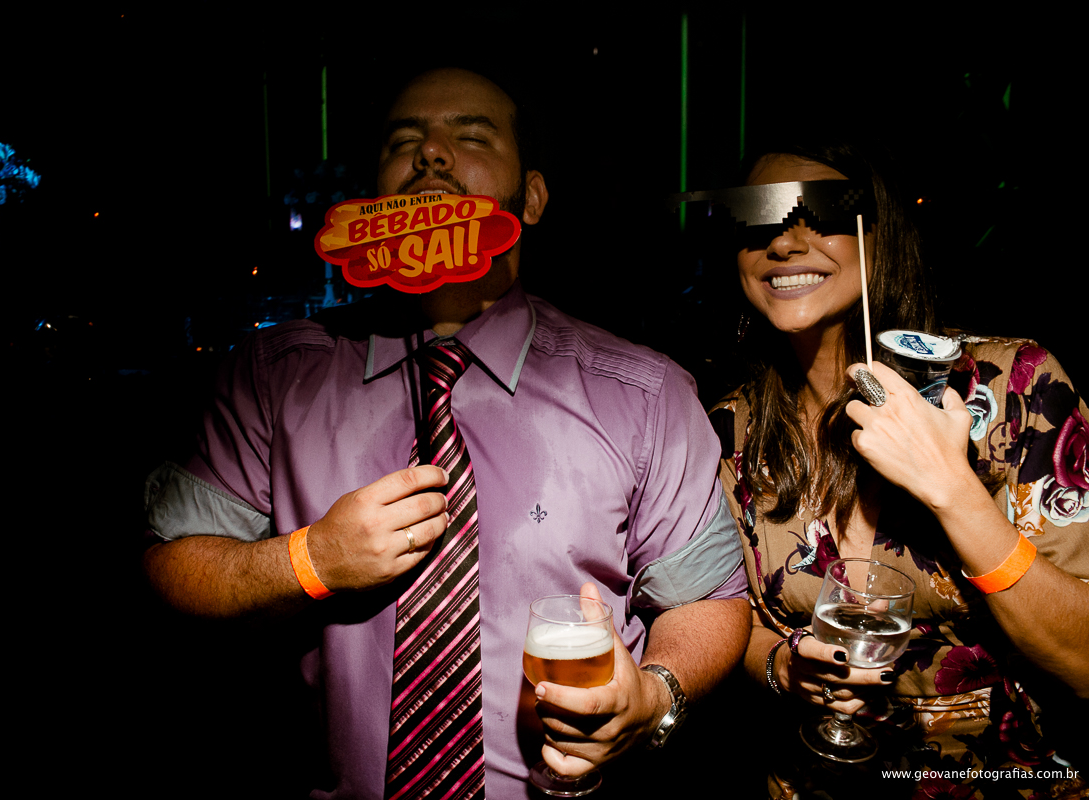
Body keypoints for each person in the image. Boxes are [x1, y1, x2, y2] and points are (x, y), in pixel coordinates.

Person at [143, 67, 750, 799]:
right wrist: (311, 559)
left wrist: (654, 695)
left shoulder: (643, 395)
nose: (430, 154)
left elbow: (711, 597)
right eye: (404, 142)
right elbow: (169, 566)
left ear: (531, 197)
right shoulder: (272, 376)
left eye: (471, 136)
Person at [703, 139, 1089, 799]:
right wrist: (781, 667)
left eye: (821, 212)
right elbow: (731, 618)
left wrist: (953, 491)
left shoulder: (1013, 388)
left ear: (878, 234)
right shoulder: (729, 430)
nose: (785, 243)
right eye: (758, 218)